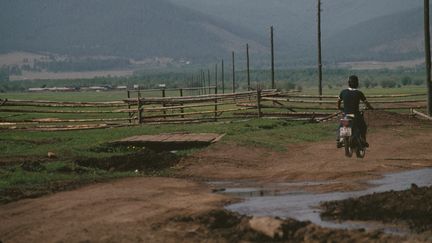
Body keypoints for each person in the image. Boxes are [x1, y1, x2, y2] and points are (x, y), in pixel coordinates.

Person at [337, 75, 373, 148]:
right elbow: (366, 103)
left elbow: (338, 101)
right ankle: (363, 140)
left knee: (342, 125)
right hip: (356, 115)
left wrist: (339, 107)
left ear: (348, 83)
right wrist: (370, 108)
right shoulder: (359, 93)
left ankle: (340, 139)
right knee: (363, 126)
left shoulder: (343, 92)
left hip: (346, 114)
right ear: (357, 83)